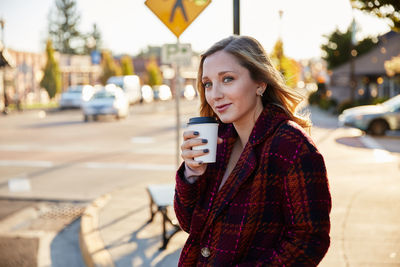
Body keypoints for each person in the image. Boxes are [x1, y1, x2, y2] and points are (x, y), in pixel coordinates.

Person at [174, 35, 331, 266]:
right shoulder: (218, 141)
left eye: (227, 79)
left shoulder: (292, 146)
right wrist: (191, 174)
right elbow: (190, 224)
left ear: (260, 83)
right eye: (208, 84)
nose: (215, 94)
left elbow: (308, 241)